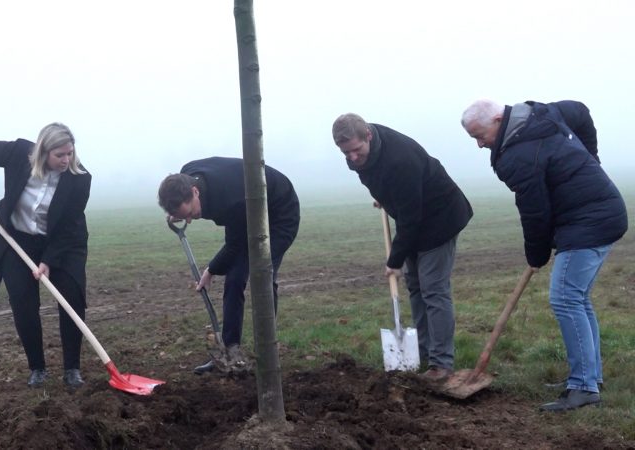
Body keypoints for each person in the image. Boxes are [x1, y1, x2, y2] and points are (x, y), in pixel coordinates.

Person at [461, 99, 627, 412]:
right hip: (599, 213)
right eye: (474, 139)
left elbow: (535, 211)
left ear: (498, 119)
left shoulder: (517, 156)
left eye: (480, 135)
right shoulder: (539, 114)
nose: (480, 144)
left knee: (565, 298)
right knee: (577, 298)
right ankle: (589, 376)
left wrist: (536, 254)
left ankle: (583, 388)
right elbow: (579, 110)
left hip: (591, 220)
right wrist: (590, 159)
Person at [332, 113, 473, 381]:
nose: (351, 157)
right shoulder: (361, 153)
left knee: (433, 289)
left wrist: (394, 260)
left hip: (440, 218)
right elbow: (376, 179)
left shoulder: (400, 160)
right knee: (416, 287)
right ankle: (421, 351)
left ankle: (442, 363)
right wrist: (385, 197)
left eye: (356, 150)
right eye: (345, 152)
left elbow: (410, 219)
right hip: (414, 213)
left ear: (368, 136)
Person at [0, 122, 92, 389]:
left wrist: (48, 261)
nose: (66, 159)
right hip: (16, 239)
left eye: (70, 153)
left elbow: (69, 227)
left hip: (63, 244)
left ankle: (72, 369)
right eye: (60, 155)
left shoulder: (79, 178)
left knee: (71, 300)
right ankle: (37, 368)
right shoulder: (18, 154)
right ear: (43, 152)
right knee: (23, 303)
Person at [158, 157, 300, 374]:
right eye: (181, 217)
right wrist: (177, 213)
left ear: (195, 192)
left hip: (280, 212)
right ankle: (230, 350)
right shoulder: (186, 175)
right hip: (248, 210)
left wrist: (212, 269)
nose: (188, 221)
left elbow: (235, 246)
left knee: (263, 273)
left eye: (188, 214)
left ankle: (267, 351)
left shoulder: (230, 201)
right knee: (234, 279)